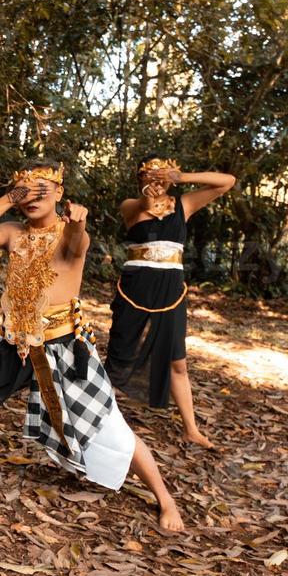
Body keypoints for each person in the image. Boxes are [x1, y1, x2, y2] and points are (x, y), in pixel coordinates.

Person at [0, 160, 184, 532]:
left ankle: (165, 499)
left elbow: (76, 245)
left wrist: (78, 222)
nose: (31, 196)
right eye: (23, 189)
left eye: (42, 188)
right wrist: (8, 199)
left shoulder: (71, 232)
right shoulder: (13, 232)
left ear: (59, 193)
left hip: (66, 350)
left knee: (111, 425)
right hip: (15, 346)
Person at [105, 157, 236, 448]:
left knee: (178, 362)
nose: (156, 181)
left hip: (170, 291)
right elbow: (139, 207)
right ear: (140, 180)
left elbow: (227, 182)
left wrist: (183, 175)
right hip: (136, 289)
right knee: (120, 353)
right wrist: (146, 197)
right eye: (149, 176)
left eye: (161, 176)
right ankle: (104, 419)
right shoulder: (131, 205)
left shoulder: (183, 205)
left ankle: (191, 429)